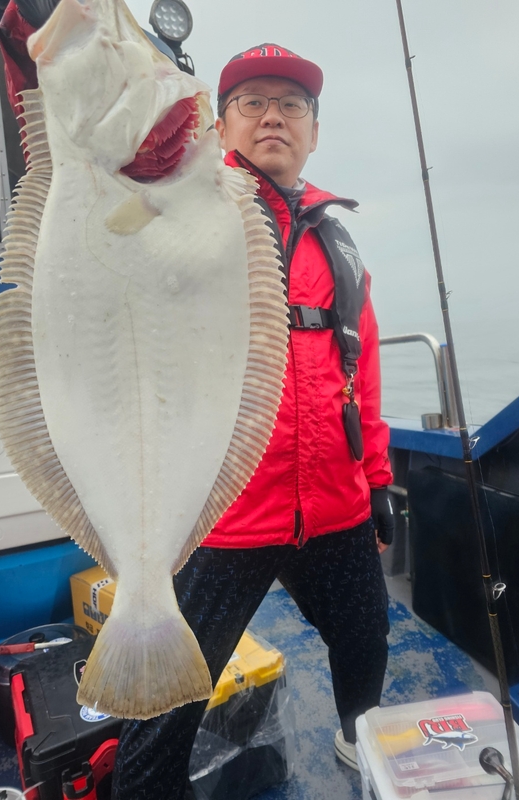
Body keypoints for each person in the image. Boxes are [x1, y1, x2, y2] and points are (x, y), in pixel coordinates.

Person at [112, 44, 394, 799]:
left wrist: (379, 482)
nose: (274, 116)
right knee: (169, 700)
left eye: (292, 104)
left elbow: (360, 374)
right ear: (221, 123)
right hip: (228, 510)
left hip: (334, 502)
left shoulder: (341, 241)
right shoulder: (188, 206)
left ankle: (358, 743)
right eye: (252, 101)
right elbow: (122, 202)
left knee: (367, 642)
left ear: (314, 129)